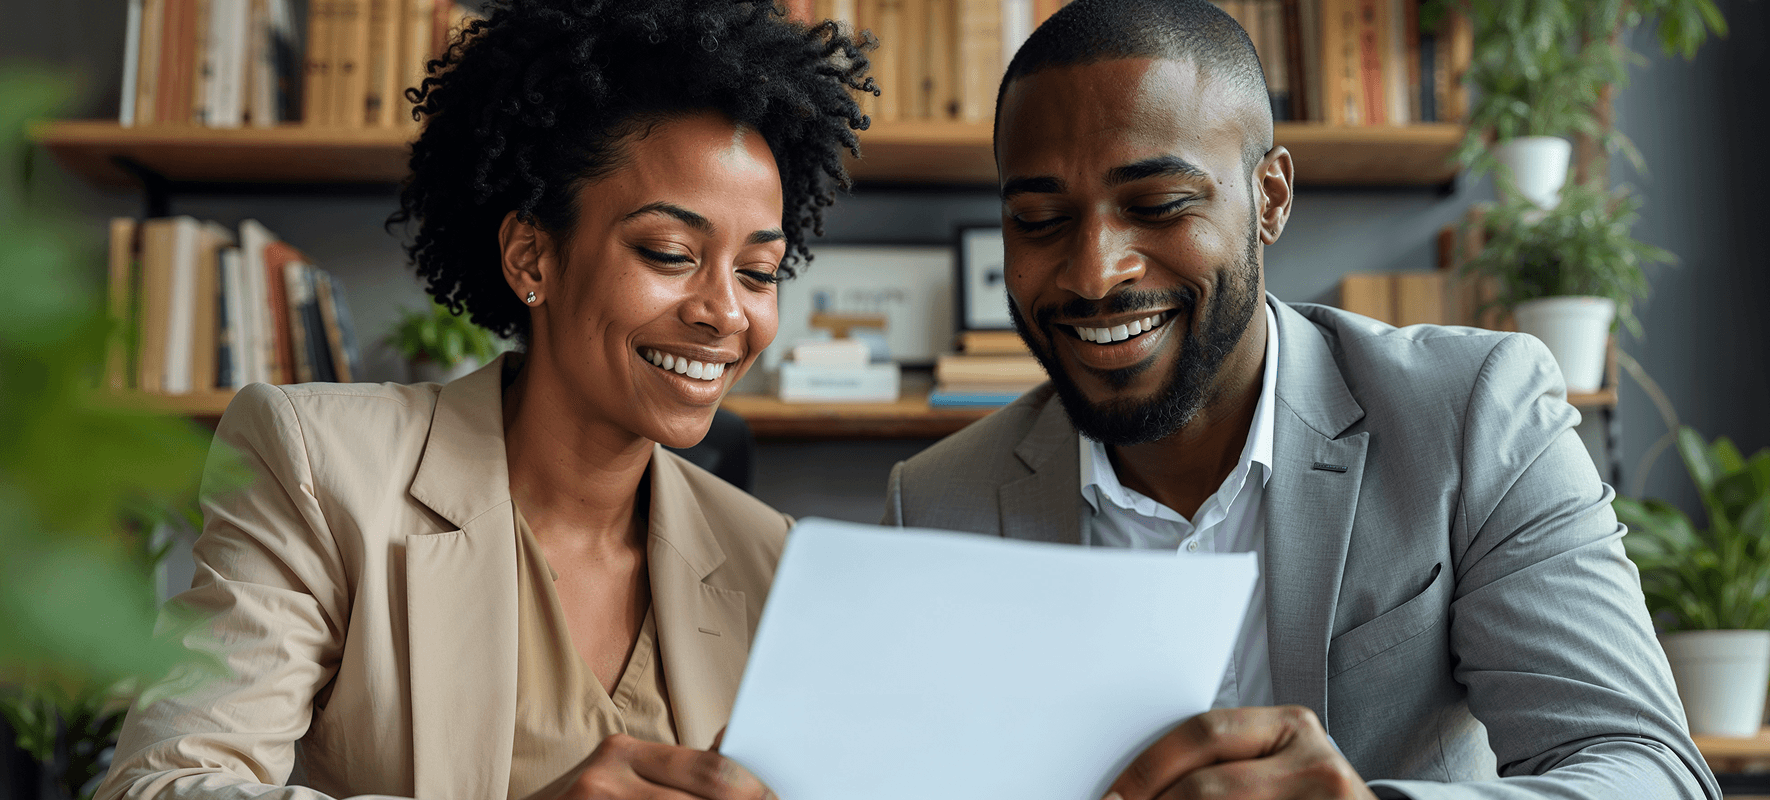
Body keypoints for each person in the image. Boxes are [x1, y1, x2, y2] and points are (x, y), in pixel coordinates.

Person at [883, 1, 1719, 797]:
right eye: (1039, 219)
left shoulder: (1473, 415)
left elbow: (1650, 771)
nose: (1096, 272)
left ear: (1270, 199)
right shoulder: (936, 504)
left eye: (1158, 205)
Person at [95, 3, 869, 800]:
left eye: (758, 272)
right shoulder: (320, 466)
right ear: (531, 256)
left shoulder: (770, 557)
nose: (727, 313)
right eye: (668, 253)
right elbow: (162, 784)